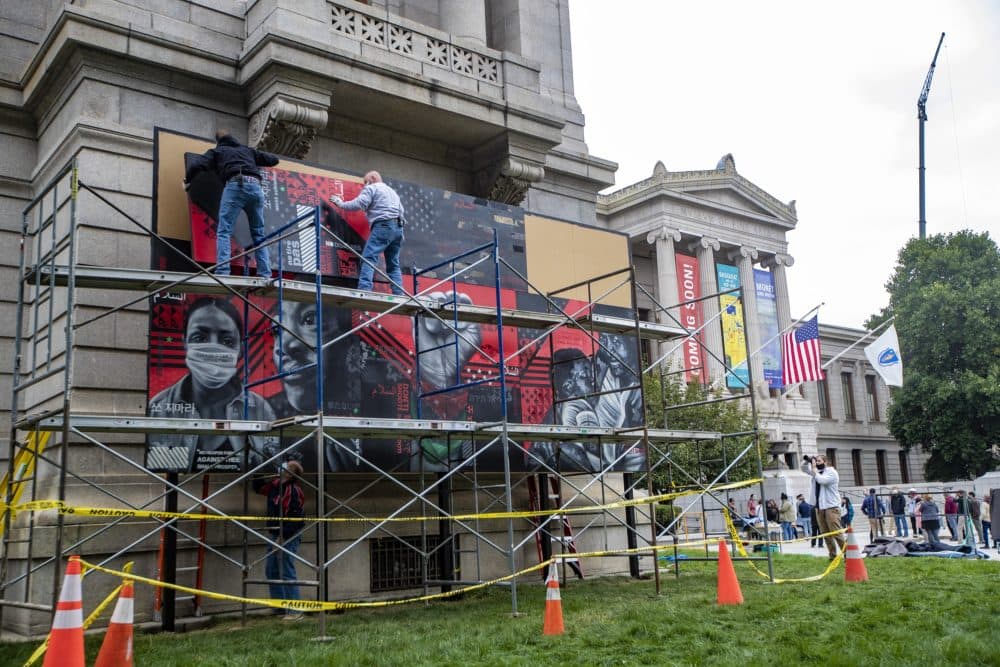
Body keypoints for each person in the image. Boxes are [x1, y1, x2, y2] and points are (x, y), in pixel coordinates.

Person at [148, 297, 277, 472]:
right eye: (200, 337)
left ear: (240, 348)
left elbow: (268, 470)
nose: (213, 348)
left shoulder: (261, 409)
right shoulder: (159, 407)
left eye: (227, 341)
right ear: (184, 341)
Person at [184, 130, 278, 276]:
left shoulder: (218, 151)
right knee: (258, 234)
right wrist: (252, 158)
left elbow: (196, 165)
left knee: (224, 231)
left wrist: (188, 181)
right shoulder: (247, 150)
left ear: (218, 141)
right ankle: (265, 273)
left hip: (235, 186)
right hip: (256, 188)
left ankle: (223, 271)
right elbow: (273, 160)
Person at [330, 171, 406, 295]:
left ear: (373, 178)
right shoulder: (392, 192)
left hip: (383, 225)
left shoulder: (372, 188)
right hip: (398, 228)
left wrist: (341, 204)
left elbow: (359, 203)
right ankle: (399, 294)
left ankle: (364, 290)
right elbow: (401, 211)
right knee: (393, 264)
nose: (365, 185)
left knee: (369, 258)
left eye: (366, 181)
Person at [253, 460, 306, 620]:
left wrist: (282, 539)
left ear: (290, 474)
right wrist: (258, 469)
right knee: (272, 570)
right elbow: (259, 488)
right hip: (275, 533)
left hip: (288, 535)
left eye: (287, 466)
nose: (282, 466)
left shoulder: (293, 491)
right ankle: (280, 607)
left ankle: (295, 610)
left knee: (287, 571)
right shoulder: (275, 485)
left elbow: (296, 519)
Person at [801, 455, 847, 560]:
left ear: (825, 462)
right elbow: (803, 469)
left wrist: (814, 469)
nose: (817, 463)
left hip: (831, 507)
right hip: (819, 507)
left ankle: (847, 553)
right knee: (825, 533)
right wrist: (807, 461)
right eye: (816, 461)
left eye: (819, 461)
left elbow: (822, 481)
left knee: (836, 532)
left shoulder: (831, 472)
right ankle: (832, 555)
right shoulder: (817, 472)